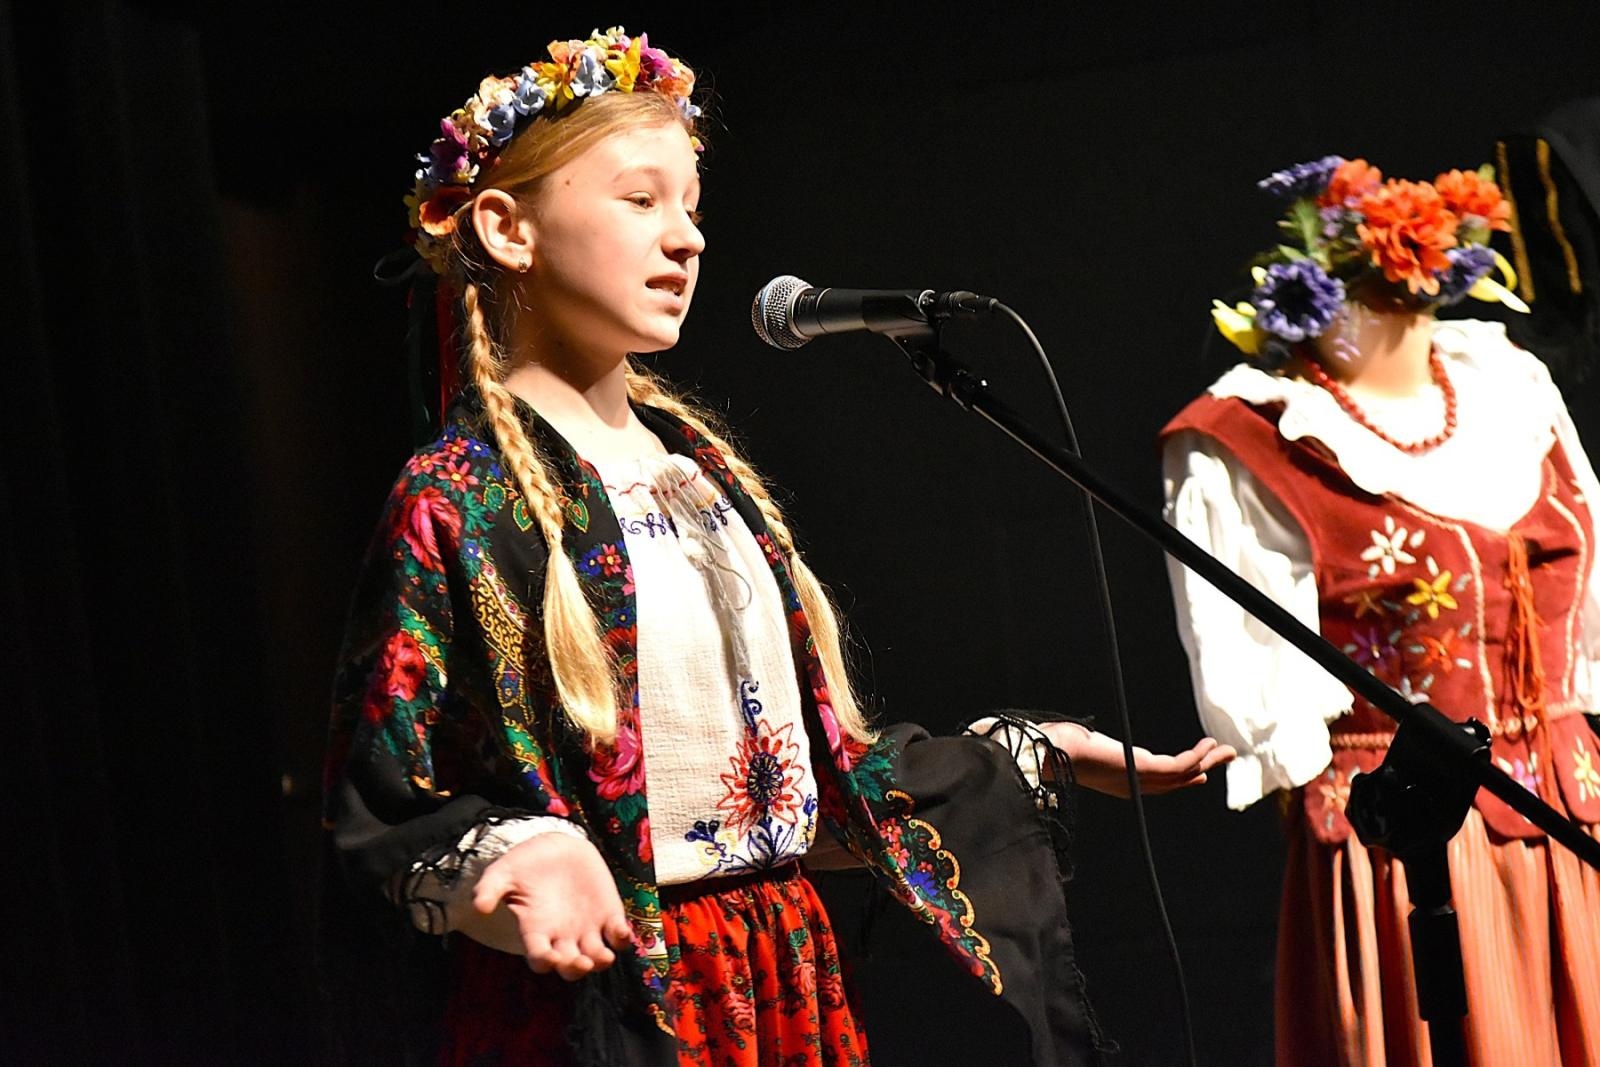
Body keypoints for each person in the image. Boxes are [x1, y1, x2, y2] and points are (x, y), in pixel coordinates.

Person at [322, 27, 1233, 1067]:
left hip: (773, 970)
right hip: (611, 999)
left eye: (694, 208)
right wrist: (524, 850)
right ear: (505, 225)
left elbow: (779, 789)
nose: (688, 239)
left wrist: (1014, 754)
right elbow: (381, 805)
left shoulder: (697, 467)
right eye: (640, 199)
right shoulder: (461, 497)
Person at [1162, 155, 1600, 1064]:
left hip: (1576, 830)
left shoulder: (1510, 387)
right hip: (1414, 856)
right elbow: (1261, 707)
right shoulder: (1252, 440)